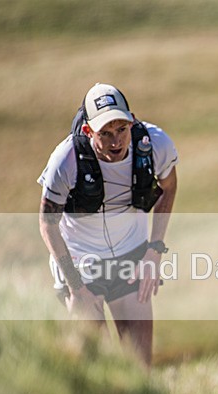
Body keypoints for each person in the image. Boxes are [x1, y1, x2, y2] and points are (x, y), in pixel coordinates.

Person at [38, 83, 178, 366]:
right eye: (105, 133)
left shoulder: (155, 145)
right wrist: (75, 286)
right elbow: (47, 223)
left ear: (132, 121)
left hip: (131, 256)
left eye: (122, 130)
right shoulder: (66, 160)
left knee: (140, 367)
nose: (116, 141)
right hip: (80, 264)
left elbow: (169, 187)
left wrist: (155, 249)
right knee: (101, 366)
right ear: (89, 131)